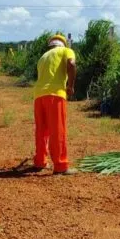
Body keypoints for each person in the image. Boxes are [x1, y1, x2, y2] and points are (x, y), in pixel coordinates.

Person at [32, 34, 77, 175]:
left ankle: (40, 161)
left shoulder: (43, 57)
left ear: (51, 45)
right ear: (63, 44)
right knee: (58, 130)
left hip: (38, 96)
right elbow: (71, 64)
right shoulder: (66, 51)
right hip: (56, 95)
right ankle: (61, 165)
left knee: (41, 130)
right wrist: (71, 86)